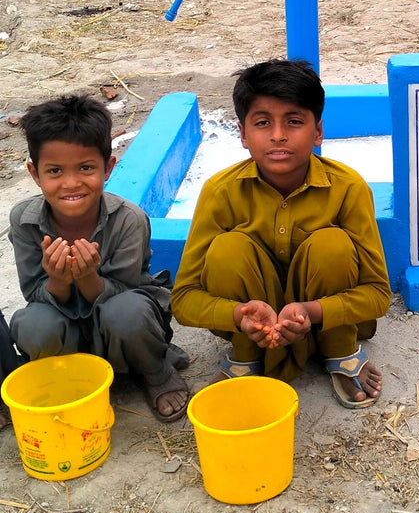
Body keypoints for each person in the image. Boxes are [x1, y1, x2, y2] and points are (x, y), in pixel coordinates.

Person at [171, 59, 390, 408]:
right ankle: (246, 356)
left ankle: (340, 350)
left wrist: (310, 310)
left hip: (323, 317)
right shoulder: (220, 191)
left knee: (331, 244)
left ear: (317, 131)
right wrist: (239, 315)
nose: (278, 135)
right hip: (251, 329)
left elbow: (379, 294)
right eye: (262, 123)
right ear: (242, 134)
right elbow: (183, 299)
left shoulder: (348, 188)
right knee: (228, 249)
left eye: (294, 121)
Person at [8, 95, 190, 423]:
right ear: (35, 174)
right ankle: (70, 378)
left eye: (86, 168)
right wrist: (59, 280)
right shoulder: (24, 220)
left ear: (108, 167)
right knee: (31, 323)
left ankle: (155, 372)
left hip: (123, 324)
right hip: (65, 328)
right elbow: (34, 295)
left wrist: (89, 278)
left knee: (128, 312)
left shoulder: (128, 220)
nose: (71, 182)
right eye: (55, 171)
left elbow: (131, 294)